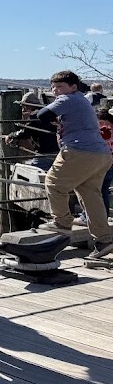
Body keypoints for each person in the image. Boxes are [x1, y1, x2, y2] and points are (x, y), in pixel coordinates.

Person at [31, 71, 113, 259]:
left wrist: (37, 112)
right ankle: (103, 241)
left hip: (79, 151)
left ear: (73, 87)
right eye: (53, 87)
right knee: (90, 194)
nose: (55, 90)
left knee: (53, 183)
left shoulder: (67, 99)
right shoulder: (81, 100)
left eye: (60, 86)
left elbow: (42, 115)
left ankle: (62, 222)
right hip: (101, 154)